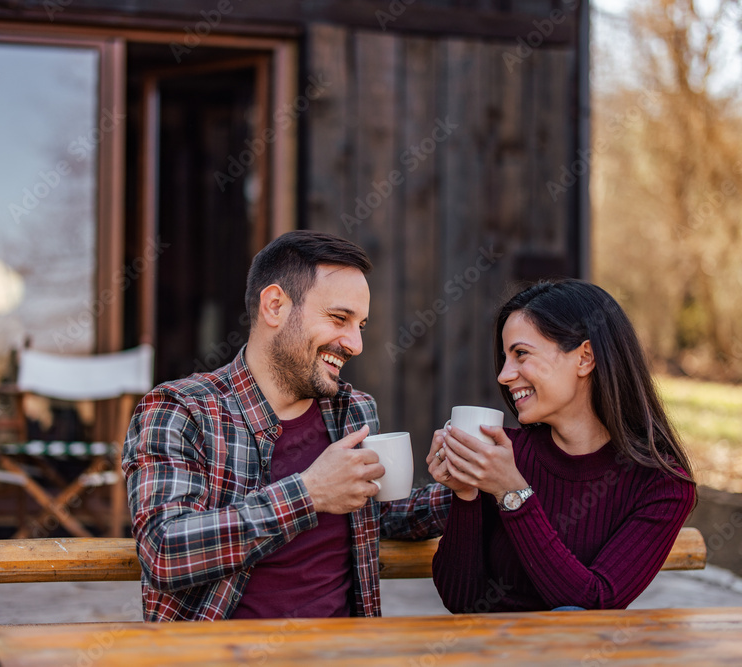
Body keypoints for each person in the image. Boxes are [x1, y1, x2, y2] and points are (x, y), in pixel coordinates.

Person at [123, 230, 450, 622]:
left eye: (360, 325)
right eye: (339, 318)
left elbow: (377, 518)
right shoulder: (182, 409)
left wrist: (462, 489)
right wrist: (308, 495)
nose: (355, 344)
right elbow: (164, 552)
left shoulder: (354, 411)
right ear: (275, 306)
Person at [428, 279, 696, 612]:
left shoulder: (662, 484)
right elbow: (462, 602)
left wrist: (512, 494)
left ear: (584, 358)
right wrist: (465, 494)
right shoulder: (502, 455)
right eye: (505, 357)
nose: (504, 375)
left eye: (521, 354)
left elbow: (593, 604)